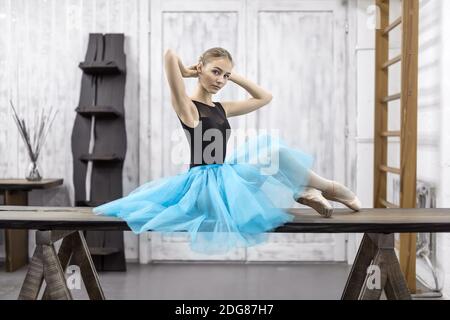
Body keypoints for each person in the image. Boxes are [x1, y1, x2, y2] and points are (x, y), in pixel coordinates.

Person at [93, 47, 361, 254]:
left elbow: (264, 98)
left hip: (225, 176)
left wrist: (232, 76)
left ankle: (307, 189)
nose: (220, 80)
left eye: (225, 75)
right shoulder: (187, 107)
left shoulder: (222, 108)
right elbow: (169, 55)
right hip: (206, 187)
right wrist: (189, 73)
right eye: (215, 72)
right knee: (274, 155)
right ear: (201, 68)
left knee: (273, 152)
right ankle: (328, 188)